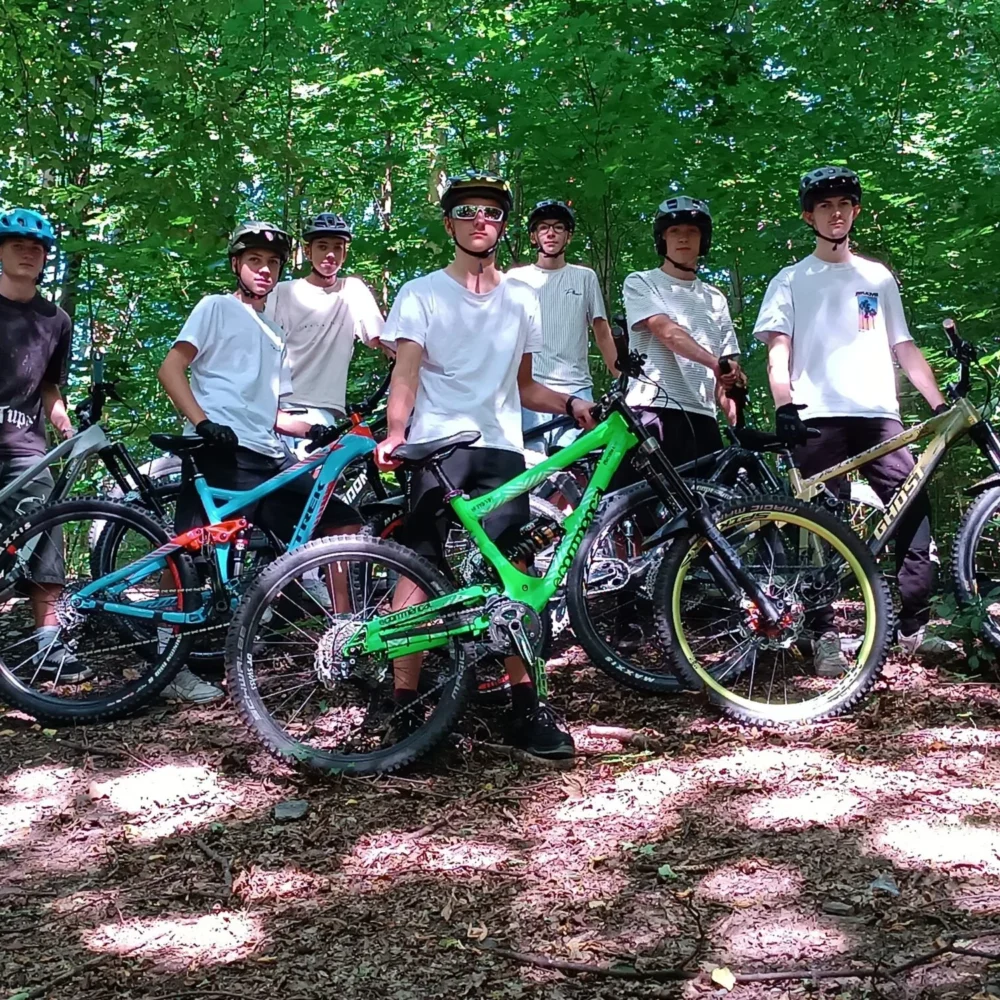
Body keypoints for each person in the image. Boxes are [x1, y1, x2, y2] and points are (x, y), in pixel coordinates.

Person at [375, 170, 595, 760]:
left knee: (516, 570)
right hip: (436, 447)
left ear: (502, 227)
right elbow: (407, 370)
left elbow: (524, 386)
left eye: (492, 212)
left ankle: (527, 707)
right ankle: (406, 705)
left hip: (501, 449)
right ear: (450, 224)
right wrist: (396, 434)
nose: (480, 220)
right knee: (417, 568)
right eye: (468, 211)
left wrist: (573, 403)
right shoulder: (420, 293)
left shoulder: (521, 297)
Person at [754, 165, 956, 673]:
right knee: (819, 526)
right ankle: (823, 635)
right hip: (816, 416)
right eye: (824, 205)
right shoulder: (790, 279)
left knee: (913, 512)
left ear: (856, 211)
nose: (836, 212)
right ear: (809, 216)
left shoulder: (877, 277)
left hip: (879, 416)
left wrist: (936, 406)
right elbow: (779, 352)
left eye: (844, 203)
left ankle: (914, 626)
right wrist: (784, 406)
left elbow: (904, 347)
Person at [157, 221, 364, 703]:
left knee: (340, 527)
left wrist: (310, 429)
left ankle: (344, 636)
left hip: (269, 458)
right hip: (220, 453)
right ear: (237, 265)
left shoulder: (274, 331)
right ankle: (169, 668)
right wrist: (203, 421)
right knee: (189, 553)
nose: (265, 270)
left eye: (272, 263)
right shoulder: (216, 308)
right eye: (255, 261)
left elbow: (271, 411)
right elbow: (171, 367)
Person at [0, 208, 89, 682]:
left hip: (25, 445)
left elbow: (51, 387)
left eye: (36, 249)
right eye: (17, 245)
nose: (27, 253)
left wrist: (62, 420)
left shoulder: (56, 319)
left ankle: (48, 644)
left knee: (47, 523)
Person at [615, 196, 741, 487]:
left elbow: (724, 374)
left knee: (708, 515)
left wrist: (734, 418)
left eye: (692, 231)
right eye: (674, 231)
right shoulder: (641, 282)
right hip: (651, 410)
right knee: (633, 510)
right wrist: (714, 362)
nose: (683, 238)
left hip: (703, 418)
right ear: (662, 239)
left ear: (703, 240)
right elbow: (665, 331)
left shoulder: (715, 298)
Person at [265, 212, 386, 458]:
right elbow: (258, 347)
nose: (330, 254)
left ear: (345, 253)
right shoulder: (281, 292)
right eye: (322, 247)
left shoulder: (352, 289)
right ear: (308, 252)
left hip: (324, 414)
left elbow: (381, 339)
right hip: (279, 411)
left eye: (337, 247)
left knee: (320, 494)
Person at [509, 200, 616, 453]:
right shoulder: (515, 278)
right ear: (534, 237)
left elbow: (601, 332)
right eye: (543, 227)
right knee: (531, 468)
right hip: (530, 390)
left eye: (558, 227)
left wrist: (624, 378)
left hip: (577, 386)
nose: (551, 232)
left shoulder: (584, 276)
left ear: (568, 236)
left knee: (579, 468)